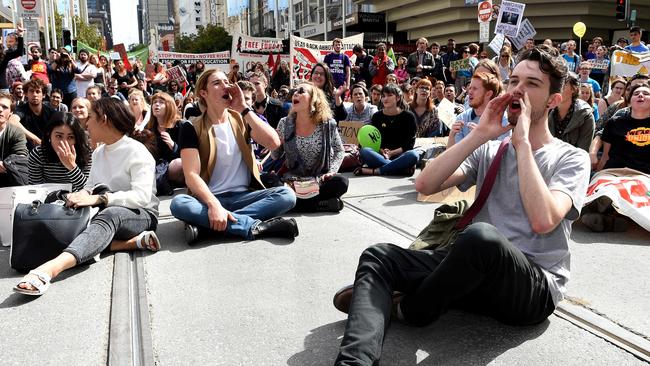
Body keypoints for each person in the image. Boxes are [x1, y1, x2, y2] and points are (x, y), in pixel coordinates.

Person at [333, 46, 591, 365]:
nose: (518, 91)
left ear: (553, 100)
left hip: (531, 288)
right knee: (377, 256)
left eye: (532, 84)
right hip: (472, 273)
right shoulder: (491, 149)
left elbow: (543, 220)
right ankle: (355, 361)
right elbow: (425, 184)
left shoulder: (571, 158)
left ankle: (410, 308)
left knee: (481, 237)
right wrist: (481, 134)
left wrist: (522, 141)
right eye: (514, 81)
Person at [13, 98, 161, 296]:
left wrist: (102, 199)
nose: (86, 123)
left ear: (104, 120)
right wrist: (78, 196)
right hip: (105, 213)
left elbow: (142, 197)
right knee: (71, 213)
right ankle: (127, 244)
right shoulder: (99, 152)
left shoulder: (137, 152)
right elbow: (90, 187)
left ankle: (49, 269)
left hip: (141, 215)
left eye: (90, 118)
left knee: (111, 215)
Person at [169, 69, 298, 244]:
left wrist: (245, 109)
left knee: (287, 195)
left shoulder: (241, 118)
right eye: (217, 83)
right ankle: (252, 226)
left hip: (245, 197)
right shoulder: (191, 127)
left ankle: (209, 228)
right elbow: (191, 175)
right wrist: (214, 206)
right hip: (208, 199)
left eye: (226, 81)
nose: (226, 86)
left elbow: (273, 143)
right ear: (203, 93)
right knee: (179, 203)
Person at [581, 83, 650, 232]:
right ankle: (606, 210)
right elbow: (606, 154)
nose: (640, 95)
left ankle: (606, 217)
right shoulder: (616, 122)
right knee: (607, 187)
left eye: (646, 93)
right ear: (629, 100)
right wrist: (598, 173)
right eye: (636, 93)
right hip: (614, 172)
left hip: (643, 175)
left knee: (633, 193)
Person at [271, 82, 347, 212]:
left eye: (301, 91)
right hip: (292, 181)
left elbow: (340, 151)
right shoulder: (284, 123)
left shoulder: (328, 124)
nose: (295, 93)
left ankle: (292, 205)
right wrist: (276, 144)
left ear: (313, 99)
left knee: (341, 182)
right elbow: (275, 156)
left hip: (319, 180)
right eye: (295, 91)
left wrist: (331, 172)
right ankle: (320, 205)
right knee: (268, 180)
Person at [354, 83, 418, 176]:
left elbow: (410, 143)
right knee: (365, 151)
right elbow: (373, 139)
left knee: (413, 155)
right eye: (383, 96)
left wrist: (392, 153)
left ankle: (376, 171)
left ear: (398, 98)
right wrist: (381, 151)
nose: (385, 99)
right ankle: (401, 169)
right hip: (381, 155)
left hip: (400, 155)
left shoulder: (408, 116)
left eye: (389, 95)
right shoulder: (377, 116)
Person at [28, 111, 92, 191]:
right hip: (47, 199)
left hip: (77, 199)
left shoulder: (85, 153)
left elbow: (88, 189)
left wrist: (72, 166)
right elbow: (35, 189)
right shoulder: (39, 154)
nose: (64, 142)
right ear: (49, 134)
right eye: (59, 136)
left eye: (70, 137)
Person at [448, 72, 508, 149]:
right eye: (470, 88)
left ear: (488, 94)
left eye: (475, 89)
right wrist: (451, 137)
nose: (469, 92)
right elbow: (454, 155)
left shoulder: (502, 118)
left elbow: (502, 154)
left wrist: (482, 138)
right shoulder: (461, 118)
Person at [147, 92, 184, 191]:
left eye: (161, 102)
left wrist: (173, 145)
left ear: (169, 106)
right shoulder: (149, 129)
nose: (156, 105)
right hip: (155, 167)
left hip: (172, 167)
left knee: (179, 164)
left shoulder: (180, 126)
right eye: (154, 102)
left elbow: (188, 154)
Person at [548, 73, 595, 152]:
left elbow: (582, 151)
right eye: (556, 84)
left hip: (572, 161)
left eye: (563, 84)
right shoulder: (547, 110)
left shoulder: (585, 115)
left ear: (574, 89)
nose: (558, 88)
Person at [9, 78, 56, 148]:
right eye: (31, 91)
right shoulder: (21, 109)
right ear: (26, 94)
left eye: (38, 91)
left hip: (46, 148)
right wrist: (34, 138)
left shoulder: (51, 112)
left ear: (44, 95)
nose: (34, 94)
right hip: (25, 149)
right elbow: (12, 121)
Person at [0, 92, 28, 187]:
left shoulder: (17, 132)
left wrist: (6, 164)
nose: (0, 109)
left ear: (11, 113)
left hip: (8, 183)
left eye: (4, 107)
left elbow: (20, 160)